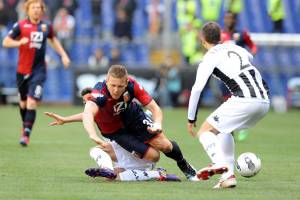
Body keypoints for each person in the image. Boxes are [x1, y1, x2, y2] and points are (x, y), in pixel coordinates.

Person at [187, 22, 270, 188]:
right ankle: (227, 177)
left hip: (244, 99)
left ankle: (219, 164)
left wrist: (191, 118)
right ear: (220, 36)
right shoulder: (237, 48)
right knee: (224, 129)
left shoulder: (209, 57)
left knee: (205, 131)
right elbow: (250, 57)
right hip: (264, 101)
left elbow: (197, 89)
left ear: (202, 40)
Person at [81, 65, 198, 181]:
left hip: (134, 118)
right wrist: (92, 134)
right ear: (107, 81)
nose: (116, 90)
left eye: (120, 86)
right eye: (113, 85)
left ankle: (184, 165)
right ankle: (149, 172)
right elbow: (88, 113)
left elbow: (155, 108)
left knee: (166, 146)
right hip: (118, 132)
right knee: (154, 156)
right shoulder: (99, 92)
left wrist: (157, 124)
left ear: (126, 83)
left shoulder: (132, 86)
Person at [45, 89, 180, 182]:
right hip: (131, 156)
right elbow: (85, 115)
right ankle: (152, 172)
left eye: (89, 101)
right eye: (85, 102)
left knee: (98, 153)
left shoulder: (112, 110)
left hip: (139, 154)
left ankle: (155, 174)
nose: (87, 105)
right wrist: (65, 120)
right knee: (115, 176)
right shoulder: (99, 112)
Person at [2, 0, 71, 147]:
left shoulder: (46, 27)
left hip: (39, 71)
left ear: (42, 10)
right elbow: (6, 42)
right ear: (27, 10)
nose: (36, 10)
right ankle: (25, 124)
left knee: (32, 101)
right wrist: (18, 43)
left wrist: (63, 55)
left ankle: (26, 134)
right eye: (33, 7)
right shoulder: (20, 26)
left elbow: (54, 40)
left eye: (39, 8)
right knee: (23, 103)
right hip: (22, 71)